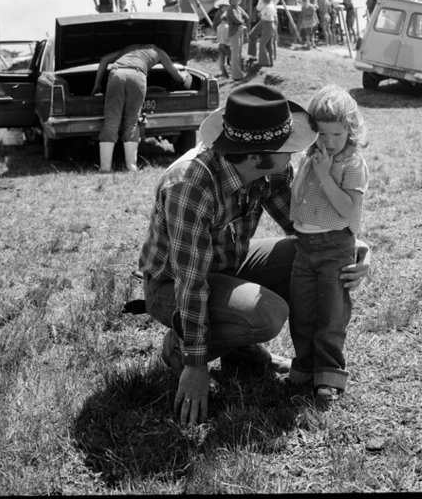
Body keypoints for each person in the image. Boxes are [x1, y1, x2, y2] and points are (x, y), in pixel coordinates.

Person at [137, 84, 372, 424]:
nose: (296, 152)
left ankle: (243, 352)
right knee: (267, 314)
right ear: (255, 156)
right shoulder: (190, 185)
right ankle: (181, 348)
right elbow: (191, 282)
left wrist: (353, 248)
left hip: (227, 267)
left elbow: (301, 225)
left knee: (306, 255)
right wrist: (195, 364)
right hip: (171, 287)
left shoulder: (269, 170)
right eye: (286, 147)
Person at [287, 85, 369, 404]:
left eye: (336, 134)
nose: (328, 142)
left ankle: (330, 374)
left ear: (350, 130)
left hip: (335, 244)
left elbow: (348, 209)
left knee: (332, 314)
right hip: (305, 245)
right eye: (321, 134)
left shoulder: (351, 163)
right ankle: (306, 367)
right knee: (303, 310)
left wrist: (324, 175)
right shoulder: (313, 155)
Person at [91, 44, 192, 172]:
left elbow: (104, 59)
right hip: (138, 76)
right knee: (132, 121)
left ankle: (105, 168)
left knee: (111, 122)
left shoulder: (129, 48)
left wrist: (97, 84)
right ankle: (131, 167)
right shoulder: (158, 51)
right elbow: (177, 75)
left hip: (117, 74)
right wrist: (185, 78)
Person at [226, 0, 249, 81]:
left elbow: (246, 16)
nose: (234, 1)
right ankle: (236, 75)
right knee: (235, 54)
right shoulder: (230, 9)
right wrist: (242, 21)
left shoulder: (238, 8)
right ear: (230, 0)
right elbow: (236, 20)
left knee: (239, 52)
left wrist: (242, 20)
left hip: (240, 30)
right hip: (234, 32)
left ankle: (239, 73)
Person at [216, 12, 231, 78]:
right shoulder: (227, 27)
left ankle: (225, 74)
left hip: (220, 44)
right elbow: (227, 37)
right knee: (232, 59)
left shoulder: (218, 26)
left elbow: (218, 37)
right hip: (226, 45)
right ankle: (234, 73)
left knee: (222, 61)